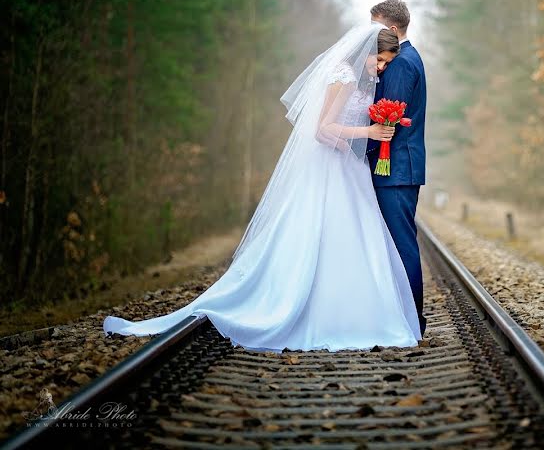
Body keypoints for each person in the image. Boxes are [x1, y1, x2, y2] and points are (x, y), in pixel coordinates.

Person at [103, 23, 422, 353]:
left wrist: (357, 137)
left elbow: (334, 132)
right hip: (332, 169)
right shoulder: (345, 77)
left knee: (350, 234)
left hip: (345, 166)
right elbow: (321, 129)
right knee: (330, 232)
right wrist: (367, 133)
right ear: (368, 52)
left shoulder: (357, 76)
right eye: (380, 61)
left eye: (384, 63)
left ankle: (351, 310)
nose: (381, 68)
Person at [367, 0, 428, 335]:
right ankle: (402, 318)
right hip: (399, 166)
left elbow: (387, 120)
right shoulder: (405, 58)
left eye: (374, 25)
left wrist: (358, 151)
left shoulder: (402, 63)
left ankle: (410, 322)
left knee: (401, 243)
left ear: (391, 29)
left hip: (395, 168)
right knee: (397, 242)